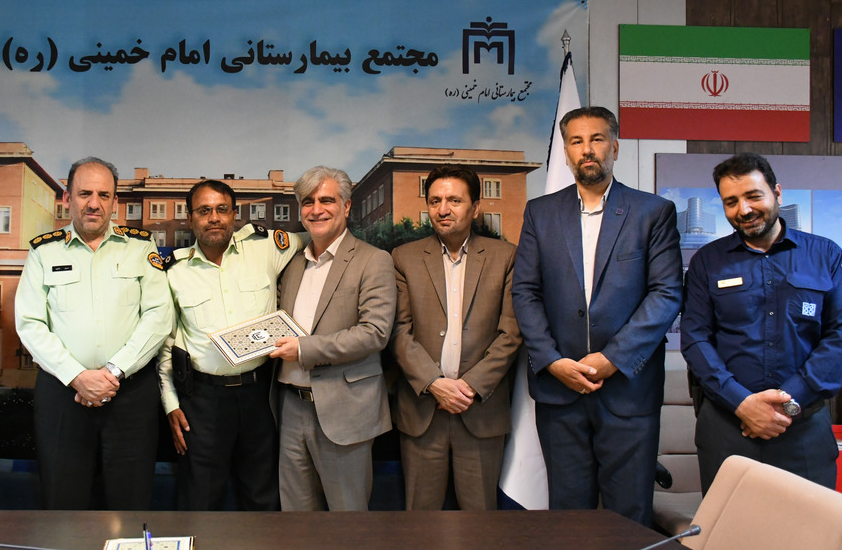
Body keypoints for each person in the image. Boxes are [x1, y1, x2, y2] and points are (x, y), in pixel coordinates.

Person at [512, 106, 683, 526]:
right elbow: (526, 292)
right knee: (569, 516)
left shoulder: (652, 212)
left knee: (630, 516)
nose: (586, 149)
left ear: (615, 147)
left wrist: (612, 359)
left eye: (597, 139)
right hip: (559, 391)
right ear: (566, 152)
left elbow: (666, 294)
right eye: (576, 141)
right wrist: (552, 361)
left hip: (628, 390)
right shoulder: (540, 213)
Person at [15, 157, 172, 510]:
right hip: (63, 395)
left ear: (115, 202)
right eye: (84, 193)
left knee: (131, 502)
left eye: (104, 195)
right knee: (63, 501)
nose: (94, 203)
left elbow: (159, 316)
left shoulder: (140, 247)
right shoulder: (43, 251)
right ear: (67, 198)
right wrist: (77, 376)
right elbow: (30, 323)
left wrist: (113, 372)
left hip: (129, 395)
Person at [681, 152, 842, 493]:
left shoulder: (826, 255)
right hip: (727, 427)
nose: (744, 209)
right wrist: (742, 403)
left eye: (753, 196)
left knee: (808, 526)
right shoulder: (707, 262)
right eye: (731, 202)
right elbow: (695, 339)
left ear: (777, 193)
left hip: (803, 427)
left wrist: (787, 403)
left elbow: (839, 336)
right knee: (729, 527)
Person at [158, 179, 301, 511]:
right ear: (190, 218)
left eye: (222, 209)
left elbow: (318, 239)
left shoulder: (266, 247)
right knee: (200, 499)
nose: (214, 218)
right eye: (204, 211)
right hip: (203, 400)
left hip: (260, 395)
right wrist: (170, 404)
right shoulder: (174, 270)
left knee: (262, 497)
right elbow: (166, 345)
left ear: (234, 214)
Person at [391, 164, 521, 510]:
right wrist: (434, 383)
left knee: (481, 522)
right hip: (423, 412)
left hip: (480, 411)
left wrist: (469, 388)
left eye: (454, 200)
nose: (443, 209)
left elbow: (511, 333)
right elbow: (398, 331)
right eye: (435, 201)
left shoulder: (506, 256)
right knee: (420, 522)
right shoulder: (403, 258)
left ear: (475, 207)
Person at [268, 166, 395, 511]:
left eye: (326, 200)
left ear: (347, 206)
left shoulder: (373, 260)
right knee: (296, 518)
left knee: (347, 520)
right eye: (307, 202)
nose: (316, 210)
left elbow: (374, 333)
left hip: (344, 409)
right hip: (290, 407)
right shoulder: (292, 264)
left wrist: (304, 349)